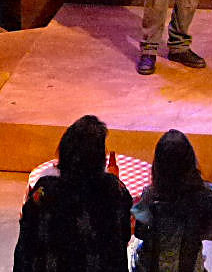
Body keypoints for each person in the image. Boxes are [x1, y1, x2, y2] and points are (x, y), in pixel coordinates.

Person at [13, 115, 132, 272]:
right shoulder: (115, 191)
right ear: (99, 161)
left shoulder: (44, 192)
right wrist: (113, 180)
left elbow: (25, 248)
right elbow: (124, 235)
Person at [130, 129, 212, 272]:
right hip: (191, 268)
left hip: (151, 269)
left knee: (132, 249)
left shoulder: (150, 195)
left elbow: (140, 233)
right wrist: (188, 233)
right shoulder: (208, 194)